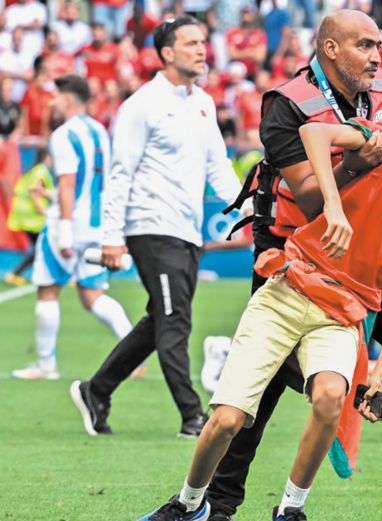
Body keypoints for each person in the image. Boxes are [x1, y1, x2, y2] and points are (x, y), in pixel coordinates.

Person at [139, 96, 382, 521]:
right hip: (290, 287)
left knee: (330, 398)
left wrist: (380, 371)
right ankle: (189, 504)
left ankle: (291, 510)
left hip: (343, 314)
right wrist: (332, 205)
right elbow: (313, 132)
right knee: (228, 420)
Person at [204, 11, 382, 521]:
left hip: (367, 252)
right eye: (365, 46)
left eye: (379, 45)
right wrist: (359, 161)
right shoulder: (285, 104)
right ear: (331, 49)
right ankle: (218, 502)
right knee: (260, 383)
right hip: (294, 246)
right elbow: (310, 200)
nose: (377, 57)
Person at [69, 17, 243, 438]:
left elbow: (218, 168)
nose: (202, 49)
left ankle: (96, 390)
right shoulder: (141, 105)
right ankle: (192, 416)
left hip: (186, 231)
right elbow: (120, 173)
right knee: (175, 320)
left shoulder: (203, 103)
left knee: (160, 319)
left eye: (203, 42)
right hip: (149, 226)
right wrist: (111, 236)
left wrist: (249, 209)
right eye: (191, 43)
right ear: (167, 53)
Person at [11, 76, 134, 381]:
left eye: (55, 98)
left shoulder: (64, 134)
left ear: (67, 99)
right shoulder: (100, 132)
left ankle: (45, 365)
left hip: (65, 225)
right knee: (92, 294)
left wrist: (64, 228)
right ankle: (133, 350)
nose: (51, 103)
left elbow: (67, 183)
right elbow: (95, 183)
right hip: (96, 224)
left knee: (48, 291)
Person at [4, 146, 52, 287]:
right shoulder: (41, 172)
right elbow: (35, 194)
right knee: (40, 248)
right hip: (33, 219)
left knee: (39, 248)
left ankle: (22, 273)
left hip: (25, 217)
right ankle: (15, 273)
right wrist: (45, 212)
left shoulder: (33, 170)